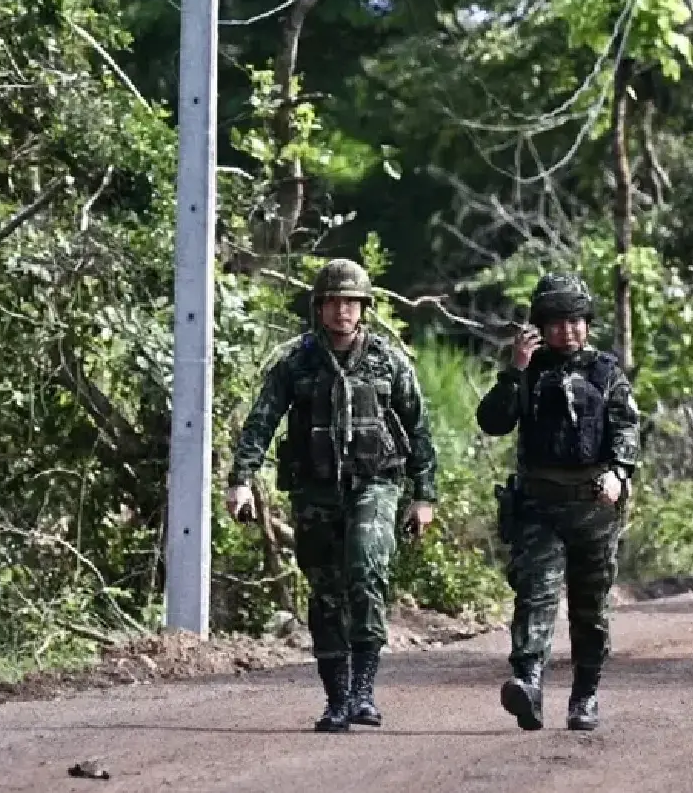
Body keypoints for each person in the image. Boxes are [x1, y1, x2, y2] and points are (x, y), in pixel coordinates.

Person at [223, 259, 437, 733]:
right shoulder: (294, 363)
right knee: (324, 591)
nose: (343, 311)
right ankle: (336, 698)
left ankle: (364, 691)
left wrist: (425, 497)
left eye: (352, 303)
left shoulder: (388, 360)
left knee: (365, 567)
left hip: (376, 484)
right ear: (319, 307)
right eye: (335, 302)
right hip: (314, 489)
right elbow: (261, 422)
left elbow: (418, 430)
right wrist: (241, 480)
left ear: (364, 308)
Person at [476, 273, 640, 732]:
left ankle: (584, 695)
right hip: (539, 506)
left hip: (593, 505)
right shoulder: (527, 371)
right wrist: (515, 368)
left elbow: (626, 429)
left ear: (587, 323)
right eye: (555, 322)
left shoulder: (606, 372)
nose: (566, 331)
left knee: (590, 606)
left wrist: (620, 473)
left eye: (575, 321)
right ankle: (528, 682)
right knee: (536, 595)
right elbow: (492, 422)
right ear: (539, 327)